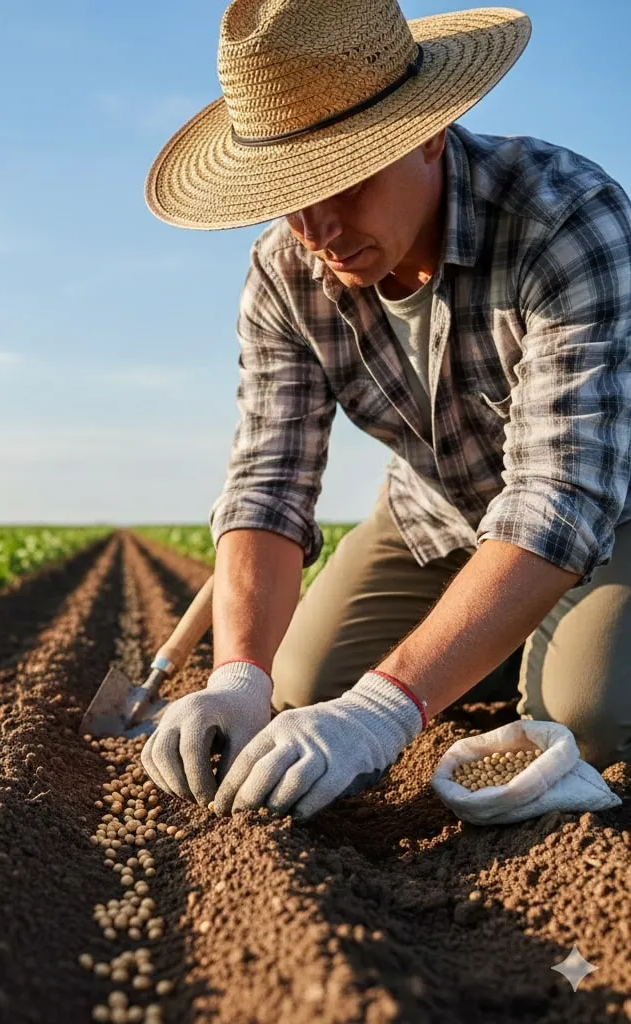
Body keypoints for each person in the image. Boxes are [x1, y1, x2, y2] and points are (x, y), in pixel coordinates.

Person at [139, 0, 631, 820]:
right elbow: (268, 482)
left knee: (587, 719)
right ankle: (490, 642)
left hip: (608, 516)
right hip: (434, 511)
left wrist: (384, 708)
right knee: (299, 687)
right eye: (290, 194)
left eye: (344, 180)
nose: (318, 227)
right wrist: (237, 677)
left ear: (428, 133)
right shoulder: (286, 272)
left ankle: (533, 638)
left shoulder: (563, 219)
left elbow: (562, 497)